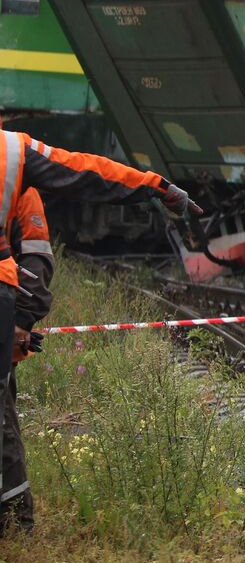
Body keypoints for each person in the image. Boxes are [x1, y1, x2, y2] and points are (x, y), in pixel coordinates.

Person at [0, 127, 198, 535]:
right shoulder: (11, 149)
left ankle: (15, 522)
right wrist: (154, 186)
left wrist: (23, 317)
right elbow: (85, 171)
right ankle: (14, 523)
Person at [1, 189, 52, 533]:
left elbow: (37, 261)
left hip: (4, 322)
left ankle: (16, 521)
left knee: (3, 426)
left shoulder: (20, 189)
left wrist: (22, 320)